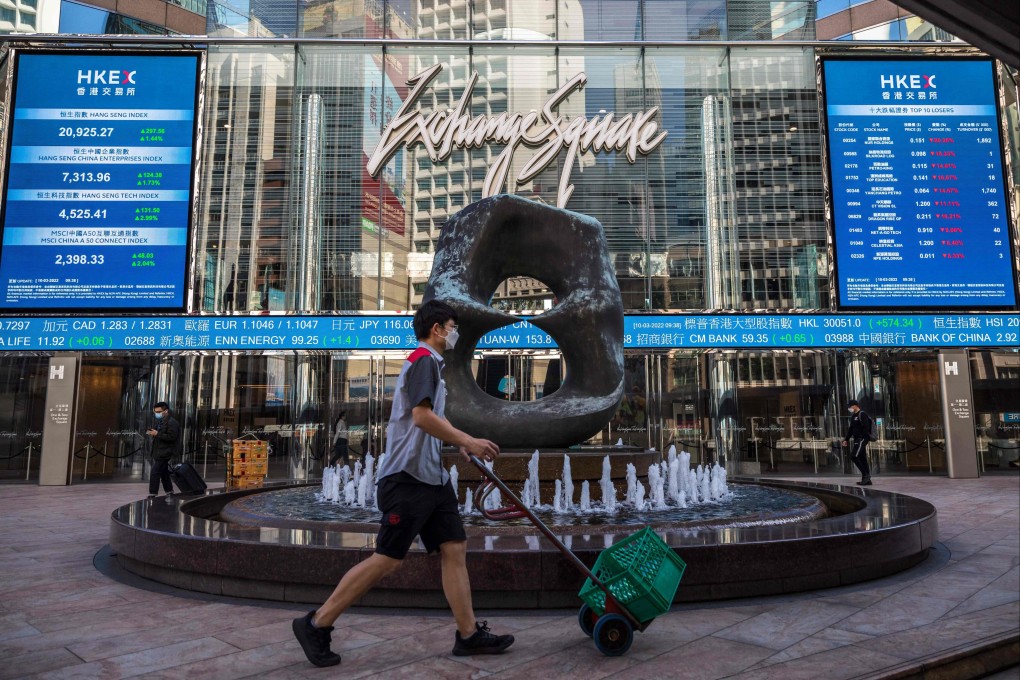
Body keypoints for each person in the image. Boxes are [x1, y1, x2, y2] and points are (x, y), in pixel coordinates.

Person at [291, 300, 515, 668]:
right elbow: (422, 417)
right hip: (407, 480)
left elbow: (427, 424)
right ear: (438, 329)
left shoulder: (431, 366)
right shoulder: (423, 360)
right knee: (387, 559)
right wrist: (467, 440)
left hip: (431, 479)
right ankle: (316, 623)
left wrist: (455, 442)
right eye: (452, 326)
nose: (455, 332)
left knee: (454, 547)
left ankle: (468, 634)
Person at [146, 401, 180, 497]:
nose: (157, 414)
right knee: (164, 472)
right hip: (159, 452)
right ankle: (169, 491)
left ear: (166, 411)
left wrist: (157, 434)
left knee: (155, 472)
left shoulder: (172, 422)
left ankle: (152, 493)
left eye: (159, 411)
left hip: (165, 452)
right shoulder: (160, 422)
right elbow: (160, 435)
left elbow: (172, 437)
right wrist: (152, 432)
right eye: (155, 412)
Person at [842, 399, 873, 486]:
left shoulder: (862, 414)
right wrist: (846, 439)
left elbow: (866, 427)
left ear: (855, 405)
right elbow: (851, 429)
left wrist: (861, 437)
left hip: (862, 439)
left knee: (854, 456)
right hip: (857, 439)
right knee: (862, 458)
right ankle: (866, 480)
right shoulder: (853, 416)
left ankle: (866, 476)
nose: (849, 408)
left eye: (850, 406)